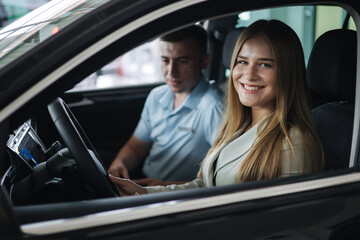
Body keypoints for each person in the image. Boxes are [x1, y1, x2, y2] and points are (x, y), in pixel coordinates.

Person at [109, 19, 324, 196]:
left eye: (265, 64)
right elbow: (206, 186)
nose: (248, 75)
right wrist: (146, 193)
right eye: (242, 62)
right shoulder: (238, 123)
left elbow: (288, 222)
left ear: (288, 72)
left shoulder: (293, 142)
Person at [108, 25, 224, 186]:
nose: (171, 72)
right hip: (143, 183)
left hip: (176, 197)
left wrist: (163, 187)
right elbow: (136, 147)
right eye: (165, 60)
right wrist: (119, 165)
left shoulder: (214, 106)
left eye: (182, 61)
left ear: (204, 61)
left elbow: (223, 178)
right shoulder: (157, 96)